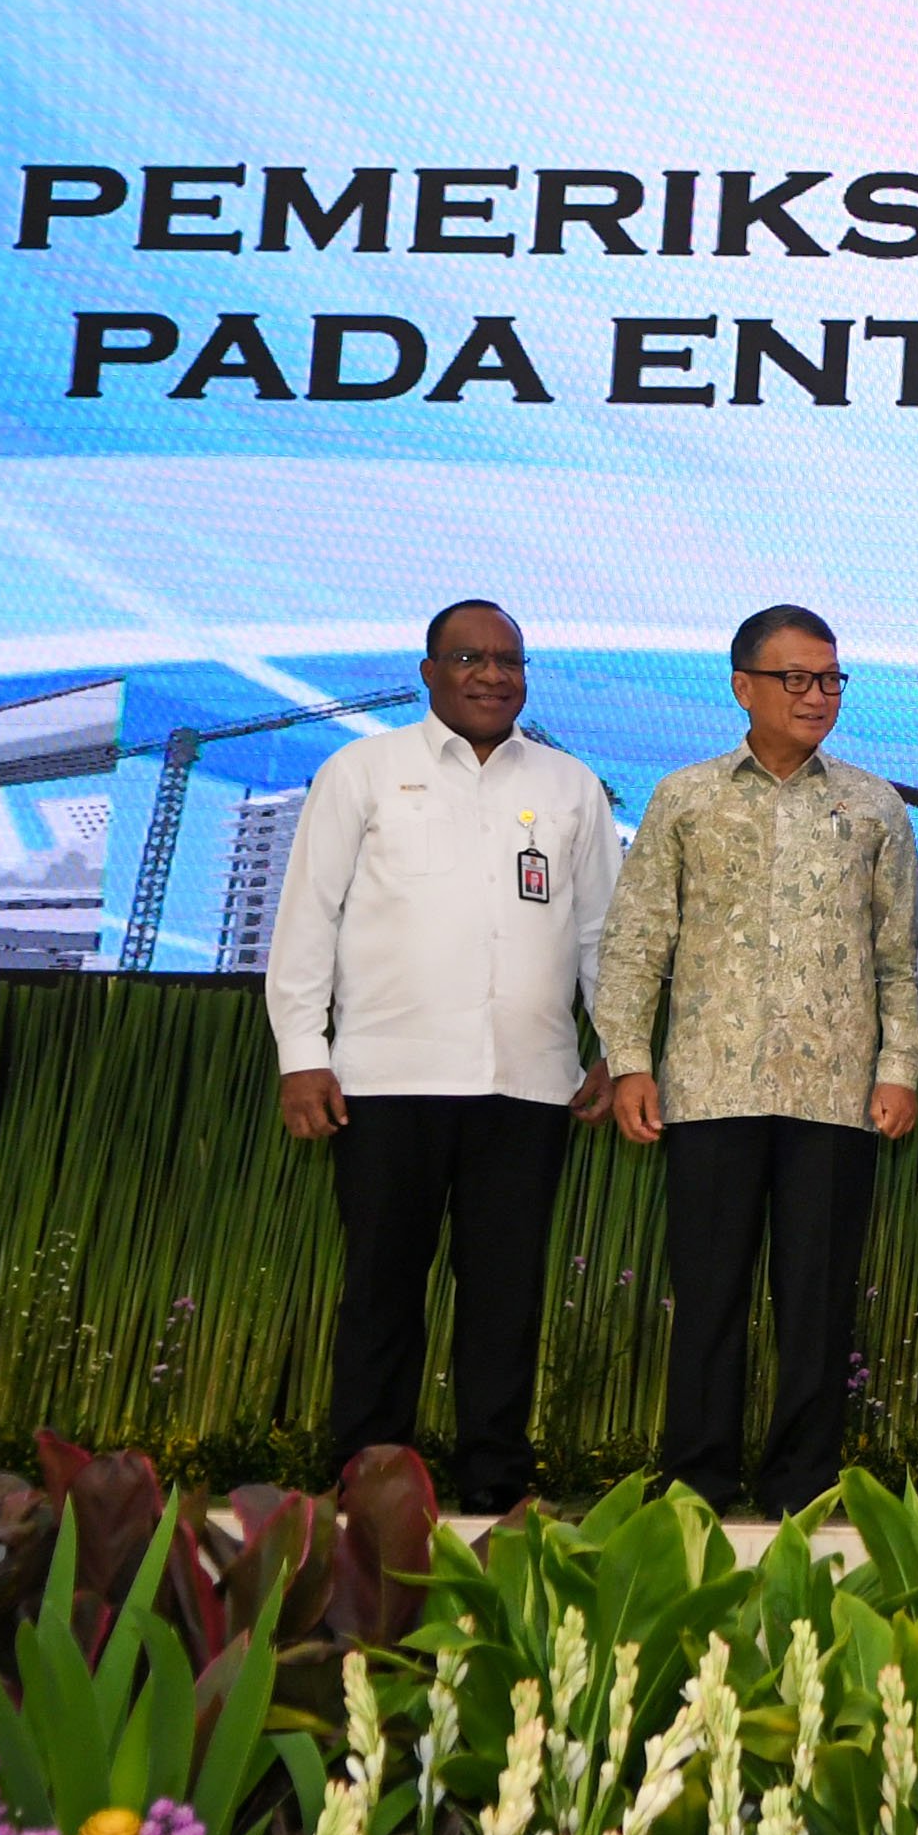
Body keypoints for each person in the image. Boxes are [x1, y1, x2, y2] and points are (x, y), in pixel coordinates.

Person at [263, 600, 617, 1512]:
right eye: (471, 658)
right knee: (382, 1290)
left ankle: (494, 1486)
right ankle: (370, 1482)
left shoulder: (572, 785)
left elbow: (602, 937)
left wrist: (617, 1050)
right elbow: (308, 920)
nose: (494, 675)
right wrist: (304, 1054)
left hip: (527, 1084)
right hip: (385, 1082)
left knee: (506, 1298)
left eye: (510, 659)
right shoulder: (363, 771)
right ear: (429, 671)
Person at [596, 604, 918, 1517]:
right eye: (797, 680)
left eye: (830, 679)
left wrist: (899, 1065)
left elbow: (900, 951)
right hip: (707, 1086)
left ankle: (802, 1485)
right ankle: (697, 1483)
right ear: (743, 686)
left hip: (836, 1094)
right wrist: (629, 1058)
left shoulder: (871, 804)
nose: (818, 697)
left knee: (816, 1303)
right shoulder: (685, 796)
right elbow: (634, 942)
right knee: (707, 1298)